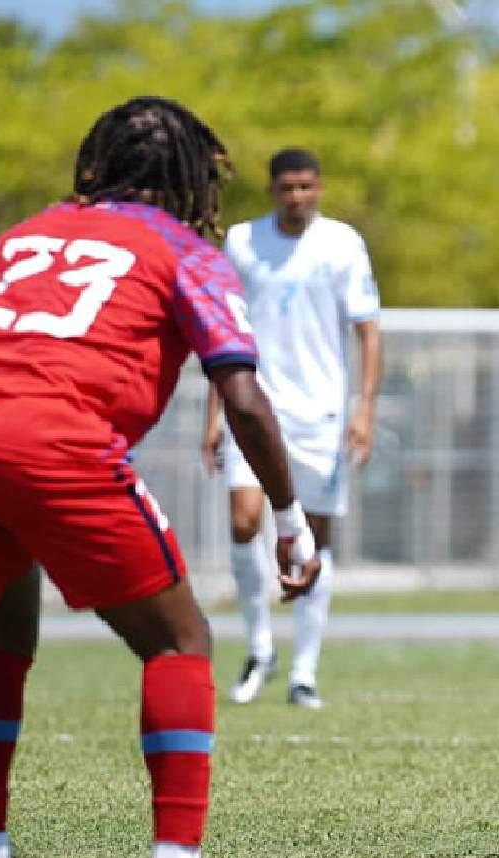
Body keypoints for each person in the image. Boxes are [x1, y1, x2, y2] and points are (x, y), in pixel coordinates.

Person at [0, 96, 321, 858]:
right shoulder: (185, 250)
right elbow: (246, 399)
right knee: (180, 641)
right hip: (51, 441)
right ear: (191, 177)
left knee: (3, 636)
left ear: (97, 164)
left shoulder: (26, 234)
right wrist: (292, 520)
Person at [201, 147, 382, 710]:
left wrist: (364, 409)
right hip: (254, 406)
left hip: (322, 416)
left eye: (306, 185)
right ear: (272, 190)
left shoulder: (342, 244)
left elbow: (368, 331)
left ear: (319, 187)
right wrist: (213, 413)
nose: (297, 196)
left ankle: (304, 669)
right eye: (287, 187)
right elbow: (221, 333)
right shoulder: (241, 243)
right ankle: (259, 648)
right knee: (244, 518)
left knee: (314, 539)